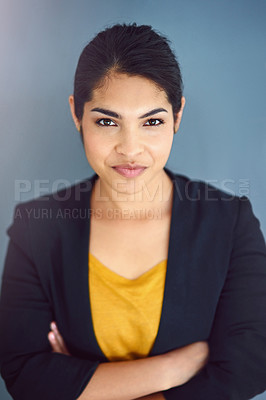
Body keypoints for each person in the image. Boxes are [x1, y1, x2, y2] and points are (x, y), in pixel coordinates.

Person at [0, 23, 266, 400]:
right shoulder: (36, 228)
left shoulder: (229, 221)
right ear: (77, 114)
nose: (130, 148)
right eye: (107, 122)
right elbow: (24, 370)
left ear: (178, 116)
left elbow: (253, 360)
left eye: (152, 121)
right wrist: (175, 367)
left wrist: (87, 386)